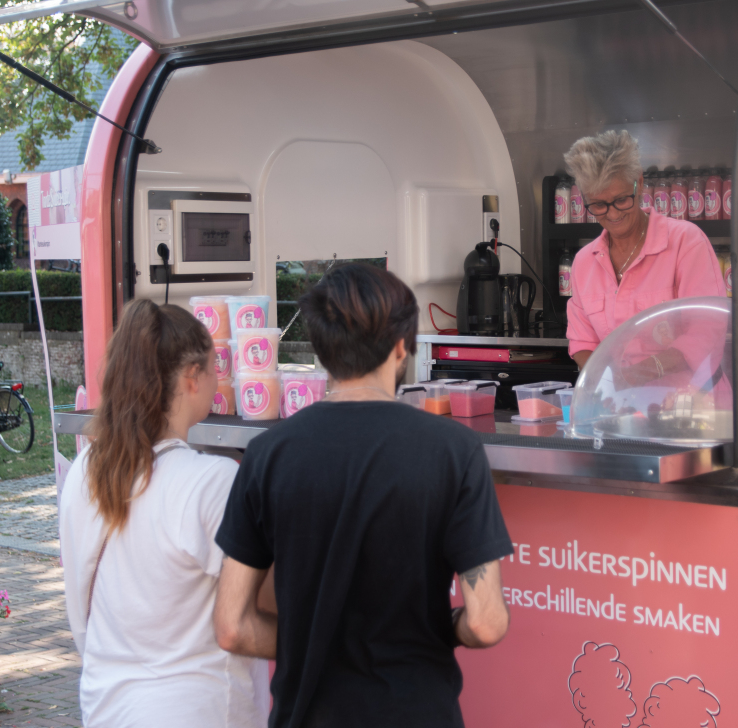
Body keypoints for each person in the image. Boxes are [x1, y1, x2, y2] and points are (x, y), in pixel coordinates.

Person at [214, 263, 513, 728]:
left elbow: (232, 627)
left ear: (321, 349)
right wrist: (441, 629)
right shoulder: (454, 451)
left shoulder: (268, 454)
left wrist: (313, 643)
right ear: (401, 346)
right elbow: (485, 622)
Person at [59, 300, 269, 728]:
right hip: (198, 710)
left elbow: (82, 612)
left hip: (106, 707)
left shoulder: (84, 470)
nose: (217, 379)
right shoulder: (211, 481)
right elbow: (263, 604)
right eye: (214, 367)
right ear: (192, 376)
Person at [563, 130, 726, 370]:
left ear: (638, 183)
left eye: (621, 200)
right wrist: (605, 381)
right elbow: (582, 341)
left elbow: (707, 330)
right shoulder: (583, 262)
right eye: (598, 205)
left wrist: (645, 372)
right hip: (617, 393)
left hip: (688, 393)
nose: (613, 214)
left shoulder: (686, 242)